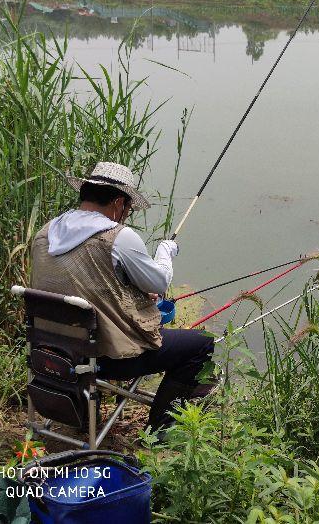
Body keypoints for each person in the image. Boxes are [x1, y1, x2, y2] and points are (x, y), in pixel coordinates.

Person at [30, 161, 214, 433]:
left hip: (51, 351)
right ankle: (161, 430)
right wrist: (165, 252)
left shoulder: (45, 232)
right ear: (118, 203)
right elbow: (160, 281)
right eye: (128, 209)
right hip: (105, 359)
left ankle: (85, 412)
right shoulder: (118, 237)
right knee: (200, 344)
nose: (126, 216)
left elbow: (84, 283)